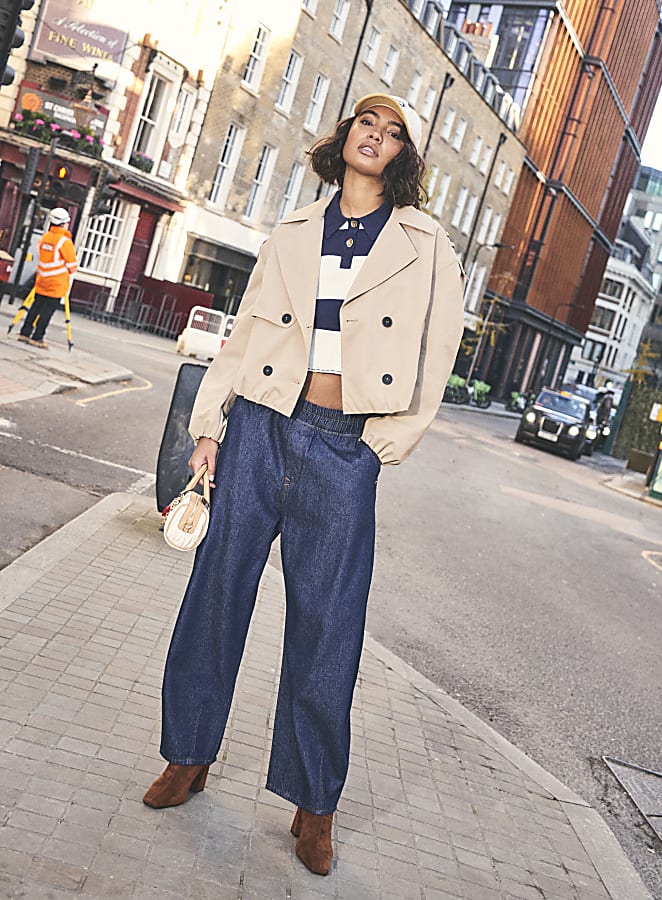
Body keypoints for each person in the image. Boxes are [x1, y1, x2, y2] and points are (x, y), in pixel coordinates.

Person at [143, 93, 465, 876]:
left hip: (342, 446)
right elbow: (248, 328)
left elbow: (438, 348)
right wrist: (212, 425)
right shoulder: (293, 231)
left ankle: (312, 805)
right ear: (346, 137)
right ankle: (188, 756)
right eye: (367, 125)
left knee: (328, 627)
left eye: (392, 135)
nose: (375, 139)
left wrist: (387, 440)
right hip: (259, 425)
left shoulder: (425, 244)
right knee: (216, 594)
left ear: (402, 158)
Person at [17, 207, 77, 349]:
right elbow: (73, 265)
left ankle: (24, 333)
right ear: (63, 224)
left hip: (41, 279)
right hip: (56, 283)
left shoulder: (45, 238)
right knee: (46, 311)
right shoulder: (65, 242)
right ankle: (37, 337)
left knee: (35, 307)